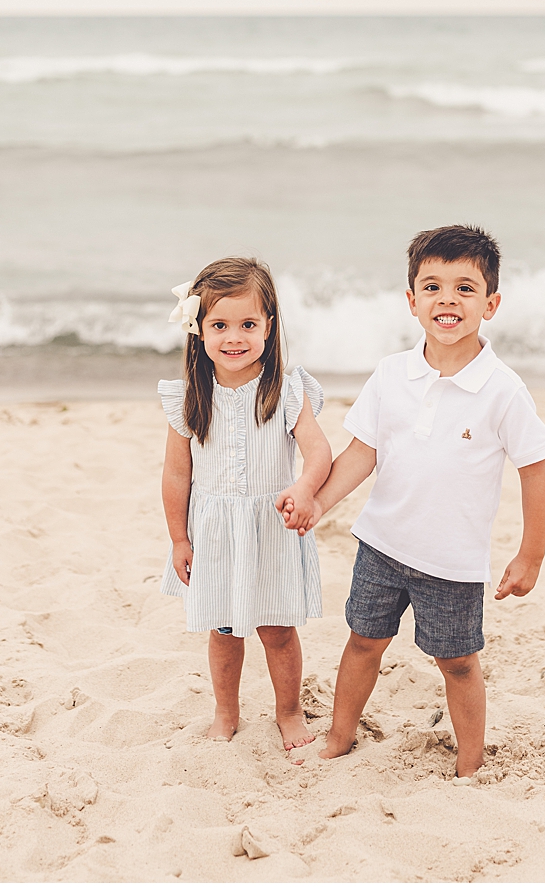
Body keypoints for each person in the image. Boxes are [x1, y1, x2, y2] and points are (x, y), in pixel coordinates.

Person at [281, 225, 545, 778]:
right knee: (363, 643)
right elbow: (363, 452)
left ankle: (471, 762)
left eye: (464, 287)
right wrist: (317, 501)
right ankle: (339, 736)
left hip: (453, 563)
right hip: (382, 545)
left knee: (457, 663)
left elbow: (535, 470)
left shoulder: (503, 390)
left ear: (491, 303)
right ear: (412, 301)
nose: (447, 299)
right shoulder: (391, 375)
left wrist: (531, 554)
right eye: (432, 287)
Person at [159, 257, 331, 753]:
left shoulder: (285, 389)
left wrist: (304, 488)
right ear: (198, 331)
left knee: (277, 630)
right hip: (214, 531)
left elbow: (319, 452)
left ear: (269, 327)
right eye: (220, 326)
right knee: (223, 629)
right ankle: (225, 711)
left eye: (248, 325)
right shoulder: (190, 396)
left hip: (271, 527)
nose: (234, 337)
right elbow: (176, 474)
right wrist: (178, 538)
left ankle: (289, 710)